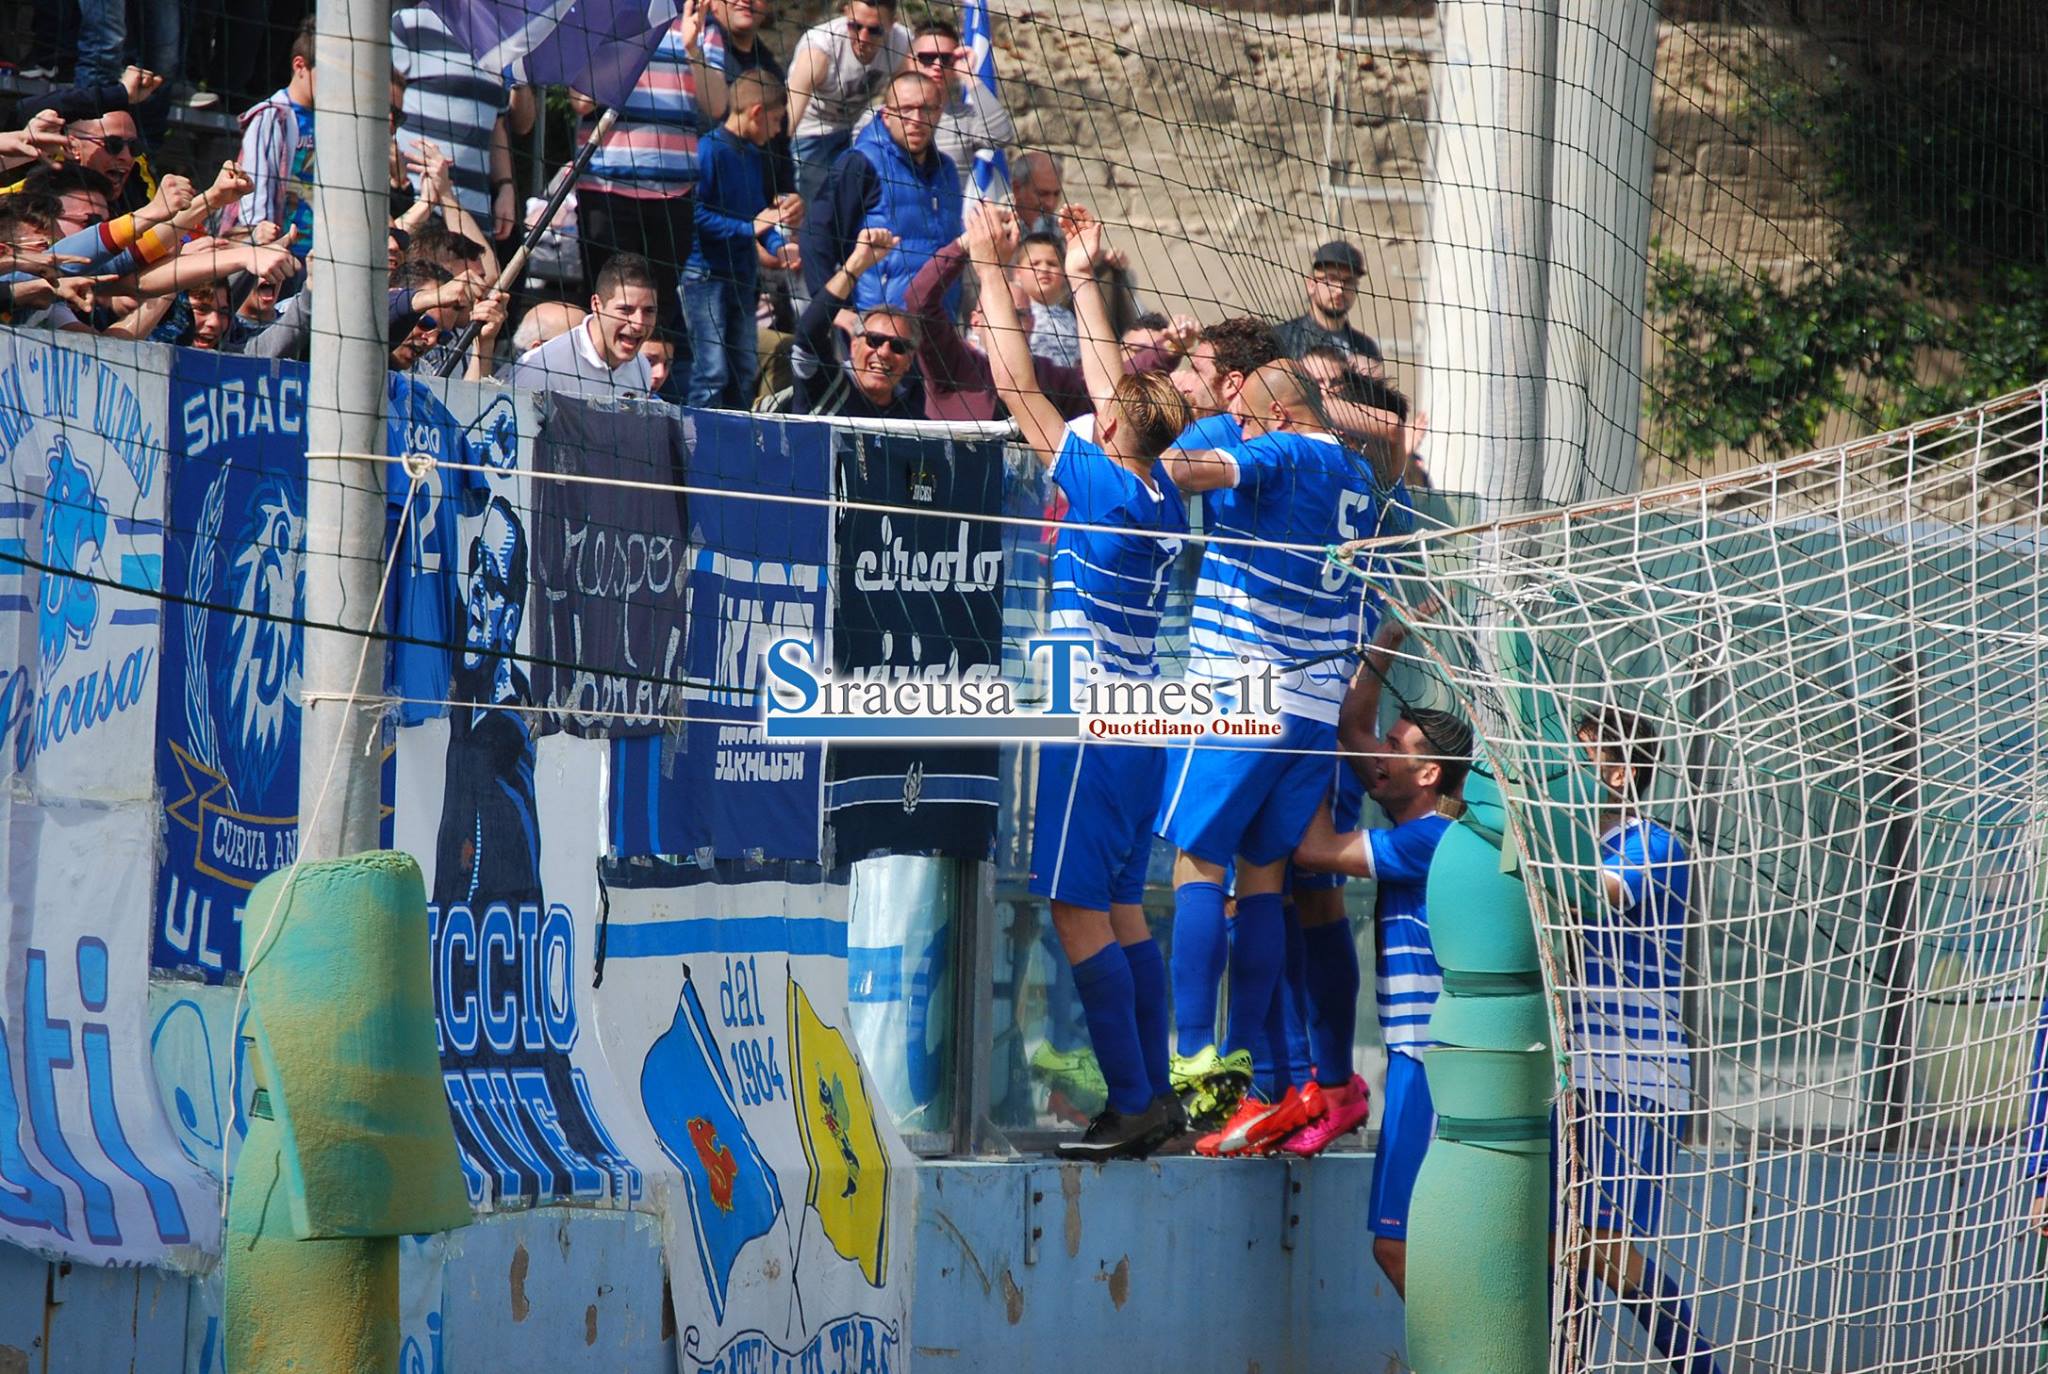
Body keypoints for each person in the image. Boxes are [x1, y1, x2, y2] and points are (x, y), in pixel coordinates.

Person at [971, 200, 1192, 1158]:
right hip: (1144, 725)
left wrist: (990, 267)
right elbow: (1113, 387)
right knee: (1122, 909)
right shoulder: (1159, 486)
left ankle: (1134, 1101)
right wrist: (1088, 278)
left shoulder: (1099, 483)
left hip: (1092, 725)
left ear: (1107, 429)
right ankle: (1159, 1097)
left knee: (1074, 912)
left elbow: (1014, 383)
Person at [1155, 360, 1392, 1158]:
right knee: (1264, 879)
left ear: (1279, 417)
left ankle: (1194, 1055)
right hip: (1315, 711)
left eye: (1249, 419)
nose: (1243, 431)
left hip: (1243, 688)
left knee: (1197, 864)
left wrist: (1181, 437)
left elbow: (1186, 470)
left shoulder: (1282, 448)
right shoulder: (1357, 474)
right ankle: (1247, 1062)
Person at [1291, 615, 1472, 1282]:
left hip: (1431, 1060)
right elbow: (1351, 726)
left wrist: (1296, 760)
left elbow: (1313, 849)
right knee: (1439, 1249)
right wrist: (1386, 643)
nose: (1377, 756)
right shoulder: (1422, 820)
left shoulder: (1430, 839)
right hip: (1420, 1057)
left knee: (1397, 1247)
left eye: (1394, 749)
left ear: (1428, 773)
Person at [1563, 706, 1721, 1374]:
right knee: (1560, 1242)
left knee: (1599, 1242)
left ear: (1620, 774)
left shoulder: (1653, 846)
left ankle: (1700, 1364)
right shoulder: (1577, 842)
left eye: (1579, 757)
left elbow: (1594, 890)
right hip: (1575, 1071)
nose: (1560, 770)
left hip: (1633, 1076)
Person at [572, 0, 711, 351]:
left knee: (656, 318)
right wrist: (628, 39)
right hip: (606, 190)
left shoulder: (697, 17)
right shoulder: (601, 12)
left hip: (673, 194)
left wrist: (694, 50)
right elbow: (580, 100)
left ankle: (650, 382)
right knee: (609, 310)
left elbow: (719, 106)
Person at [683, 69, 802, 409]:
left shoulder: (752, 155)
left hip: (743, 276)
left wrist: (780, 247)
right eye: (776, 121)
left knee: (744, 368)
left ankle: (740, 435)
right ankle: (697, 436)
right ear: (757, 113)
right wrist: (747, 229)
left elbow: (760, 216)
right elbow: (695, 214)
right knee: (711, 371)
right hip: (707, 276)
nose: (778, 130)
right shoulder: (709, 150)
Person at [800, 71, 961, 312]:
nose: (916, 119)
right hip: (877, 322)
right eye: (906, 110)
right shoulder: (861, 162)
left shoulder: (947, 169)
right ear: (886, 115)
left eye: (926, 109)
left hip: (939, 322)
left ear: (939, 113)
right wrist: (833, 311)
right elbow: (815, 235)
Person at [391, 4, 522, 236]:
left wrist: (505, 187)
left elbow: (497, 124)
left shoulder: (500, 38)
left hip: (474, 216)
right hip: (419, 210)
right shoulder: (409, 24)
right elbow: (382, 105)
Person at [786, 0, 912, 205]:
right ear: (845, 13)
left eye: (875, 30)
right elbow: (790, 114)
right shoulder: (820, 47)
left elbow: (904, 98)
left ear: (892, 23)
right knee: (813, 204)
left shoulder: (902, 43)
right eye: (855, 26)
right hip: (809, 132)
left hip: (853, 130)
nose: (863, 38)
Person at [789, 227, 921, 419]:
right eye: (874, 340)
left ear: (909, 360)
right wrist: (857, 263)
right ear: (853, 345)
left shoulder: (912, 417)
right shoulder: (823, 383)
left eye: (898, 346)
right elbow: (808, 334)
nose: (884, 352)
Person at [500, 254, 658, 397]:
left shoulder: (641, 366)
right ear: (596, 305)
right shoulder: (542, 367)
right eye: (625, 310)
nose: (639, 324)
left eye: (649, 311)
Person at [228, 17, 318, 258]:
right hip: (279, 253)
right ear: (300, 66)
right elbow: (255, 186)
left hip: (319, 254)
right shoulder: (272, 115)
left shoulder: (331, 120)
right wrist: (260, 244)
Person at [901, 20, 1015, 196]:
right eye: (927, 58)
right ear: (911, 61)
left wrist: (969, 76)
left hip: (950, 211)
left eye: (946, 59)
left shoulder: (967, 118)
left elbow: (1002, 135)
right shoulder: (882, 116)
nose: (937, 65)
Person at [1274, 240, 1382, 375]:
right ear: (1311, 285)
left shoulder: (1365, 347)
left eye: (1349, 281)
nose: (1340, 290)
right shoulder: (1283, 339)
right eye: (1331, 279)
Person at [1013, 230, 1079, 367]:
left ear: (1064, 272)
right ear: (1018, 273)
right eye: (1035, 264)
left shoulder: (1071, 318)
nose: (1044, 269)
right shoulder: (1015, 314)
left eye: (1052, 264)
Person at [1010, 150, 1062, 238]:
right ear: (1017, 189)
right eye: (1042, 194)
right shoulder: (993, 229)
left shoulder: (1063, 232)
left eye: (1056, 194)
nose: (1051, 203)